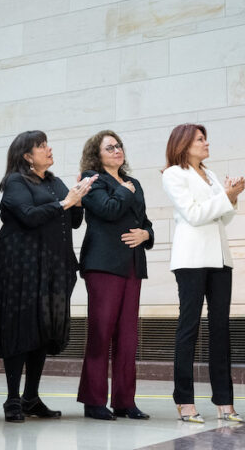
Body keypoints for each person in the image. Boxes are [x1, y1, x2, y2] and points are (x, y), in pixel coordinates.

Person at [0, 131, 94, 423]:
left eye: (47, 144)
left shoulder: (55, 182)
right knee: (20, 329)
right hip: (20, 265)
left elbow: (72, 222)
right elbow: (29, 215)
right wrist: (64, 203)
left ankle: (31, 397)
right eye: (41, 146)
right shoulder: (17, 182)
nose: (49, 149)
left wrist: (78, 201)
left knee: (43, 331)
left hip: (53, 265)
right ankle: (12, 399)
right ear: (27, 156)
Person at [161, 123, 245, 424]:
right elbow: (194, 214)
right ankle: (184, 400)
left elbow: (224, 216)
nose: (206, 143)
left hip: (220, 257)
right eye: (199, 139)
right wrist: (226, 195)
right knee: (189, 327)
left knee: (220, 329)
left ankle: (225, 401)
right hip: (191, 259)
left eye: (205, 138)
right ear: (184, 144)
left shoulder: (208, 174)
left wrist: (231, 197)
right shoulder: (173, 174)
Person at [76, 130, 154, 421]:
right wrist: (124, 191)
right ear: (97, 154)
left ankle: (125, 401)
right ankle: (94, 401)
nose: (117, 150)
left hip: (133, 264)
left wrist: (147, 234)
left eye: (119, 145)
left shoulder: (134, 183)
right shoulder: (91, 180)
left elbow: (144, 221)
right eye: (110, 147)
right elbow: (108, 210)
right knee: (101, 332)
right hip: (103, 264)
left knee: (128, 337)